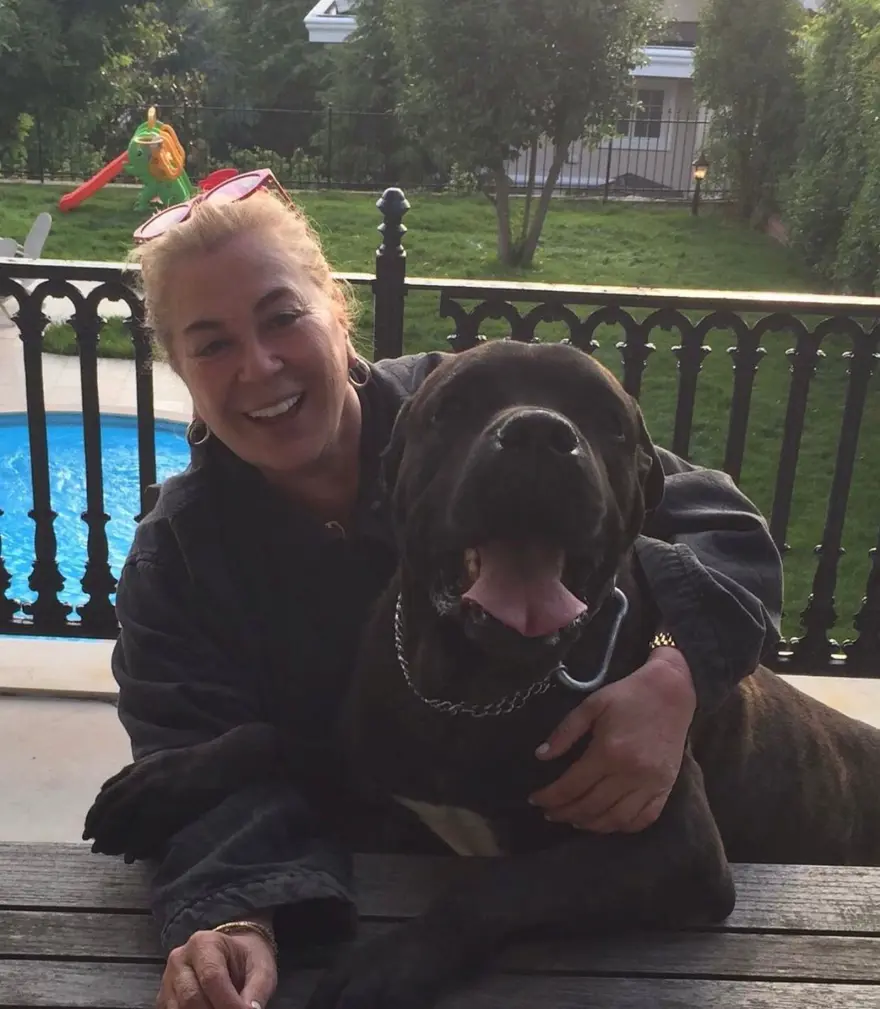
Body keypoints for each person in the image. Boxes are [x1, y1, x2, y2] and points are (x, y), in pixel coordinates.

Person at [89, 186, 783, 1009]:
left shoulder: (462, 401)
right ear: (179, 369)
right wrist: (236, 913)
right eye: (212, 344)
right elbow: (193, 744)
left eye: (283, 318)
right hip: (387, 876)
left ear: (336, 314)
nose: (260, 365)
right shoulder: (176, 557)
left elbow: (722, 523)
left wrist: (678, 671)